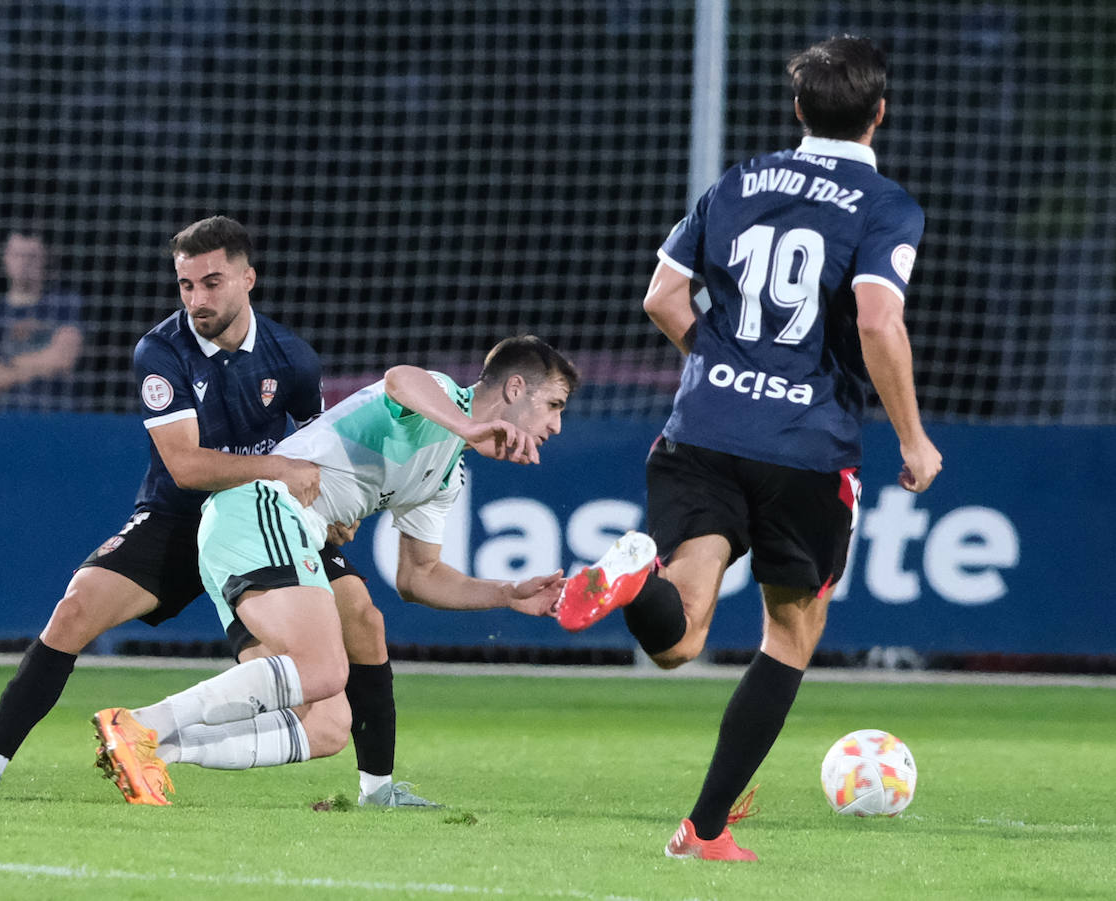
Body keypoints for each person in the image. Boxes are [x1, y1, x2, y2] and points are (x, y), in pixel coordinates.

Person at [555, 35, 942, 861]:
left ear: (798, 110)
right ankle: (703, 828)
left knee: (682, 636)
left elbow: (663, 295)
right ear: (880, 113)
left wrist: (726, 369)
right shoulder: (886, 205)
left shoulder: (737, 181)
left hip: (702, 430)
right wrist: (912, 436)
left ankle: (634, 574)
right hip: (805, 448)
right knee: (789, 636)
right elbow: (878, 321)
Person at [0, 215, 342, 799]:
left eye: (212, 282)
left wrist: (333, 507)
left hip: (256, 525)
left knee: (335, 692)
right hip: (177, 517)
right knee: (74, 610)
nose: (197, 299)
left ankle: (160, 745)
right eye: (186, 285)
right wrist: (281, 468)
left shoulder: (292, 357)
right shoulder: (161, 349)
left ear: (249, 279)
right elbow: (188, 466)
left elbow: (318, 452)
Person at [90, 335, 579, 806]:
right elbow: (399, 378)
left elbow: (418, 575)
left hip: (275, 532)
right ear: (515, 389)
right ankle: (142, 722)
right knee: (323, 668)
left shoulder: (448, 472)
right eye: (555, 404)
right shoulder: (440, 396)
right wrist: (468, 426)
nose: (557, 425)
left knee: (327, 724)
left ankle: (150, 746)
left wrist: (507, 593)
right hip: (262, 506)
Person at [0, 228, 86, 411]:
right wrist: (43, 361)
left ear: (45, 259)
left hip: (58, 414)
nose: (24, 263)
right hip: (8, 416)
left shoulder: (64, 304)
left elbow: (63, 359)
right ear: (5, 258)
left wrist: (10, 363)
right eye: (17, 255)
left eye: (31, 256)